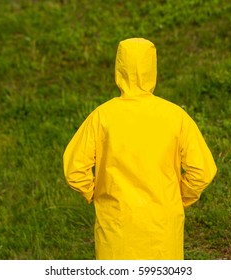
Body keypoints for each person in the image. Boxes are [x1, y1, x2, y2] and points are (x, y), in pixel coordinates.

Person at [63, 38, 217, 260]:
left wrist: (96, 193)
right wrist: (180, 197)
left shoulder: (102, 117)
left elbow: (74, 170)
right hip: (163, 231)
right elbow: (202, 171)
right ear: (152, 68)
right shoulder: (175, 117)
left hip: (116, 230)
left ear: (119, 68)